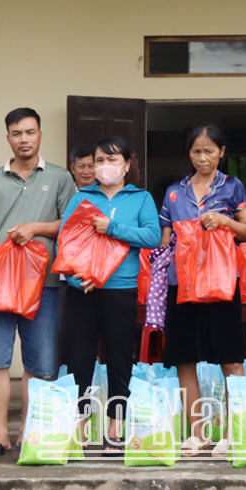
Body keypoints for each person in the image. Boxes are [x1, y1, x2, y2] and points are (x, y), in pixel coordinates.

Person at [0, 108, 76, 459]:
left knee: (39, 363)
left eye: (30, 132)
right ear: (8, 138)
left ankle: (31, 432)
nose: (24, 139)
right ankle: (1, 435)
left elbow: (71, 224)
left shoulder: (60, 178)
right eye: (17, 133)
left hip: (43, 283)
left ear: (40, 135)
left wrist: (36, 227)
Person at [60, 136, 161, 455]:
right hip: (83, 290)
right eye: (100, 160)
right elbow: (67, 242)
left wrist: (112, 227)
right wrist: (81, 279)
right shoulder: (81, 198)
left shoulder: (141, 198)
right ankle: (81, 423)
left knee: (119, 358)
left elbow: (152, 235)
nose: (105, 166)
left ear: (127, 165)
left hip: (121, 288)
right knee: (80, 358)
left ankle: (115, 425)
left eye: (113, 160)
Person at [157, 124, 246, 456]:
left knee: (231, 359)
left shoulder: (233, 187)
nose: (203, 157)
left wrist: (224, 222)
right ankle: (197, 434)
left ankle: (232, 433)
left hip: (222, 282)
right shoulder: (173, 192)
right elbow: (165, 242)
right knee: (185, 358)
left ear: (222, 152)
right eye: (197, 151)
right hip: (180, 283)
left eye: (210, 150)